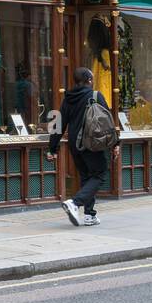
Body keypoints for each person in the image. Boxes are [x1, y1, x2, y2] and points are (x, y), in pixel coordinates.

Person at [47, 66, 117, 227]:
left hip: (74, 144)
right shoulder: (95, 95)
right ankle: (74, 203)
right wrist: (115, 143)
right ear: (89, 80)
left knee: (87, 177)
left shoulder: (68, 98)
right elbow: (108, 122)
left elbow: (59, 124)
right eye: (91, 79)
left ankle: (89, 215)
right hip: (92, 142)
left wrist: (52, 148)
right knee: (99, 174)